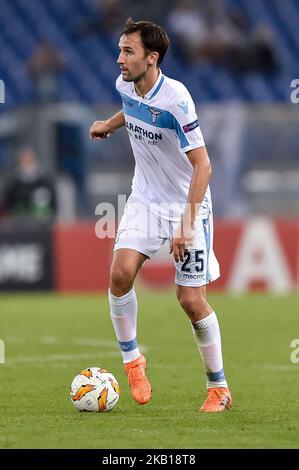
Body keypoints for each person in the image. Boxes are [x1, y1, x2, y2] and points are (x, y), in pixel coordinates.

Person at [90, 18, 232, 412]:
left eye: (128, 51)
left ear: (151, 59)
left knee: (190, 300)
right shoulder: (125, 83)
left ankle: (218, 387)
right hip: (145, 200)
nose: (119, 58)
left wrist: (187, 224)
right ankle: (133, 360)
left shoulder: (177, 99)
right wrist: (110, 125)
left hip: (187, 204)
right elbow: (133, 109)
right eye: (120, 49)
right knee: (119, 274)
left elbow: (203, 166)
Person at [3, 147, 56, 222]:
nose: (27, 165)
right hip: (18, 221)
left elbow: (53, 201)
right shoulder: (13, 182)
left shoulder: (44, 180)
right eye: (24, 162)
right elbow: (8, 202)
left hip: (41, 221)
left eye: (29, 161)